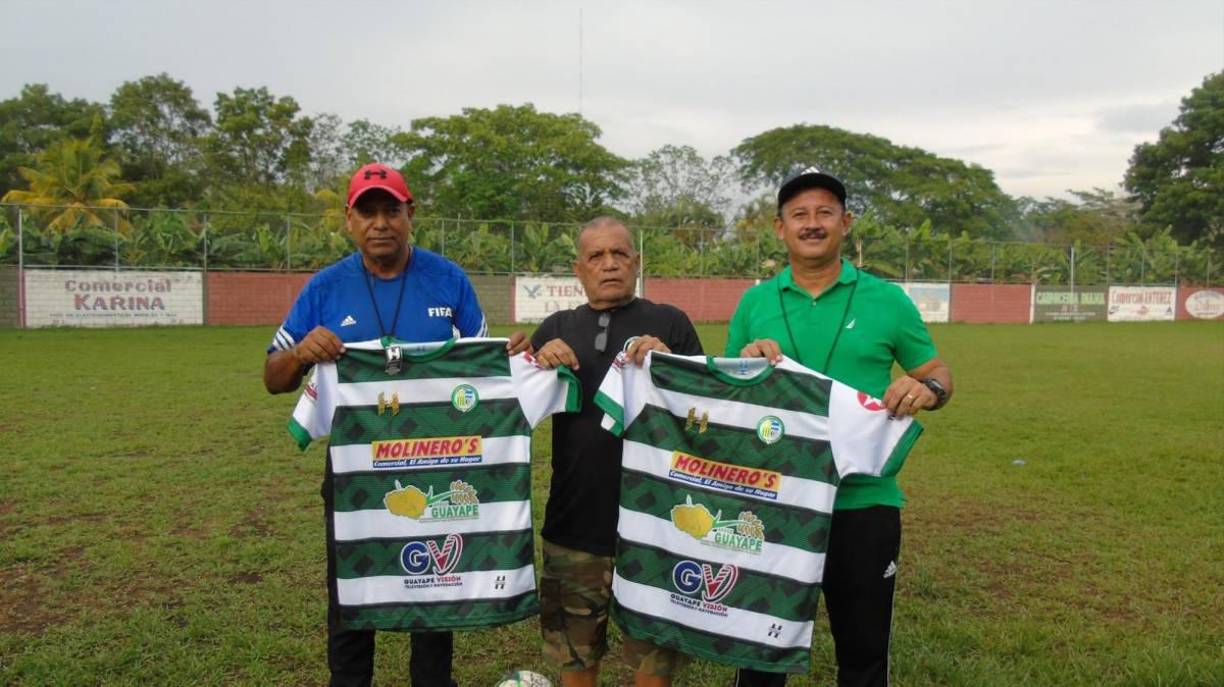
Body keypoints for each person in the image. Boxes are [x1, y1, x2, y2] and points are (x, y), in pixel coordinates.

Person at [264, 162, 523, 687]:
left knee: (435, 582)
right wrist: (300, 354)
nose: (379, 223)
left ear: (410, 214)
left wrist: (518, 355)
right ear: (349, 219)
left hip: (437, 464)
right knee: (351, 586)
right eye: (367, 212)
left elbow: (483, 367)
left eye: (391, 210)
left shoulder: (447, 279)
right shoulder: (326, 287)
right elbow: (273, 377)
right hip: (355, 472)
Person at [727, 167, 954, 687]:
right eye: (799, 214)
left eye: (825, 212)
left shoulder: (887, 300)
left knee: (863, 651)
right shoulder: (755, 302)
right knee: (759, 653)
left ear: (845, 222)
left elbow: (937, 371)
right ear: (780, 227)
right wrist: (746, 362)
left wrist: (928, 389)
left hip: (863, 501)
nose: (812, 223)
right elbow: (730, 398)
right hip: (772, 499)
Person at [529, 217, 704, 687]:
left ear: (636, 262)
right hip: (574, 524)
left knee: (652, 664)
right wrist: (537, 357)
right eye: (596, 256)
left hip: (658, 526)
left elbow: (702, 419)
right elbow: (510, 403)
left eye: (619, 254)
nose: (609, 264)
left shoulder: (670, 323)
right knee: (576, 658)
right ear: (578, 269)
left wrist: (671, 366)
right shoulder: (556, 328)